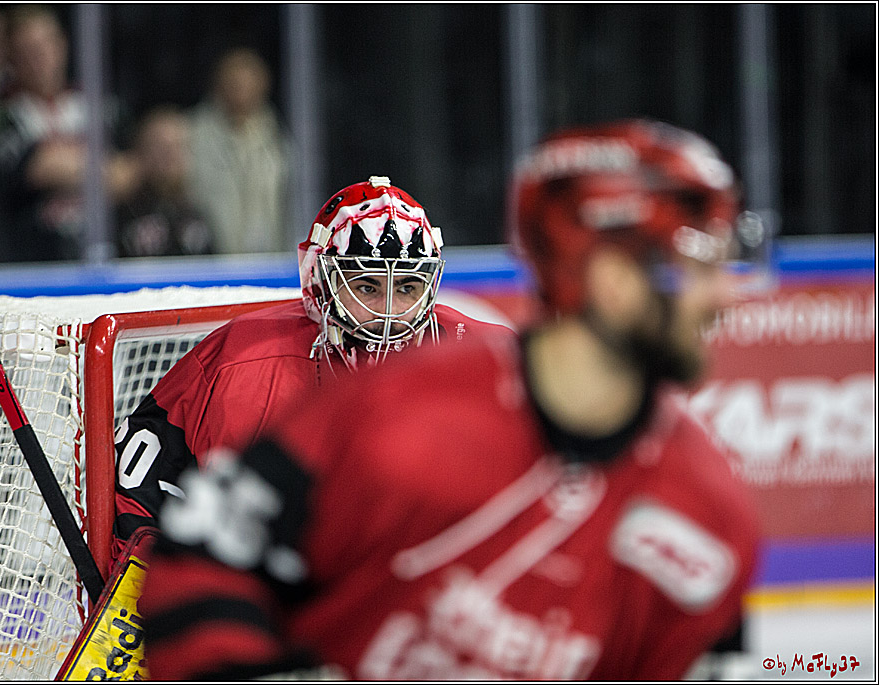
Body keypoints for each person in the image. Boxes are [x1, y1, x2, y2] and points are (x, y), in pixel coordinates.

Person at [137, 120, 763, 680]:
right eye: (698, 267)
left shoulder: (712, 523)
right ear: (613, 281)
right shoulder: (395, 407)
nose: (725, 297)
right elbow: (200, 558)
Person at [110, 176, 513, 563]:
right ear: (320, 282)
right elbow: (141, 492)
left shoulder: (489, 359)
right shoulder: (240, 359)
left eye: (407, 287)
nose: (388, 311)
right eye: (367, 286)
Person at [0, 5, 137, 263]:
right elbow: (39, 168)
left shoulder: (96, 104)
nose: (37, 58)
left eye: (43, 45)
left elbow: (128, 174)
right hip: (31, 262)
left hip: (100, 257)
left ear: (61, 45)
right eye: (25, 50)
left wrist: (64, 164)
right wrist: (100, 167)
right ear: (11, 57)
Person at [186, 47, 291, 254]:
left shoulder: (279, 138)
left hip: (272, 262)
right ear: (217, 85)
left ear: (263, 85)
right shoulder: (191, 133)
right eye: (233, 83)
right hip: (211, 264)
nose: (240, 91)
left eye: (247, 83)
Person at [116, 106, 215, 257]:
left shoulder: (197, 212)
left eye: (177, 146)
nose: (170, 155)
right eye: (160, 147)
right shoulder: (119, 212)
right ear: (140, 150)